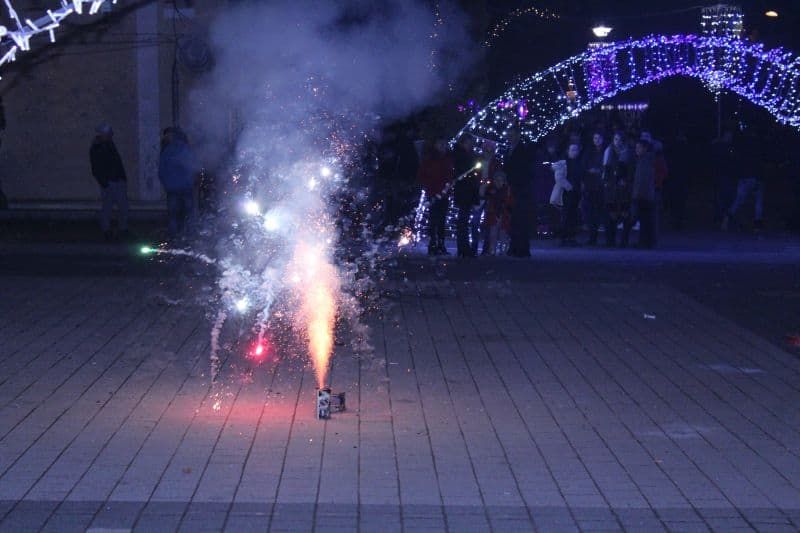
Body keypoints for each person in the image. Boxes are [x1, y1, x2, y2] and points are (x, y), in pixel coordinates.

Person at [159, 127, 201, 239]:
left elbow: (161, 170)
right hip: (186, 186)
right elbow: (195, 166)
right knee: (188, 213)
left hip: (172, 187)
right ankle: (189, 236)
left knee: (173, 214)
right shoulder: (186, 149)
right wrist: (194, 180)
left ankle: (174, 235)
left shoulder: (167, 150)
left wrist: (166, 183)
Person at [89, 123, 129, 240]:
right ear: (104, 134)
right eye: (109, 133)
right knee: (118, 206)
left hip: (113, 180)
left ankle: (110, 230)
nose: (111, 135)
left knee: (110, 206)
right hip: (112, 181)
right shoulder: (100, 147)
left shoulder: (105, 145)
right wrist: (105, 182)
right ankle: (118, 230)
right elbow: (97, 168)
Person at [721, 128, 764, 231]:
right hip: (754, 177)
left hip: (744, 178)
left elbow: (738, 163)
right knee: (758, 201)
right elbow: (759, 165)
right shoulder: (757, 150)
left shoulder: (743, 149)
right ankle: (757, 223)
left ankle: (728, 217)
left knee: (738, 200)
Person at [418, 137, 453, 255]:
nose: (443, 146)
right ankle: (433, 244)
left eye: (444, 143)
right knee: (433, 219)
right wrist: (429, 185)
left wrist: (448, 185)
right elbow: (423, 174)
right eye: (440, 143)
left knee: (441, 219)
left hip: (444, 193)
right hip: (433, 192)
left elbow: (449, 174)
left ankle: (441, 244)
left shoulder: (448, 158)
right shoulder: (430, 158)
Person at [504, 128, 536, 257]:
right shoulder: (509, 150)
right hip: (513, 188)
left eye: (512, 135)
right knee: (514, 219)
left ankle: (522, 248)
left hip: (521, 188)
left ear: (518, 136)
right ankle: (515, 246)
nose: (510, 138)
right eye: (509, 135)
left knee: (521, 218)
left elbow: (524, 170)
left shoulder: (523, 150)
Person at [602, 132, 634, 247]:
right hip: (611, 187)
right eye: (616, 139)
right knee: (612, 214)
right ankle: (610, 240)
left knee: (625, 214)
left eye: (620, 139)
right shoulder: (609, 151)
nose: (617, 141)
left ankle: (624, 240)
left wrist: (626, 180)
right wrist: (606, 182)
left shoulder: (627, 153)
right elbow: (606, 169)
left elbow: (631, 170)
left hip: (624, 188)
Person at [452, 134, 480, 257]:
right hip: (464, 191)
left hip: (468, 191)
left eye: (471, 143)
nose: (470, 145)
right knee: (463, 220)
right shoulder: (461, 155)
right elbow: (463, 173)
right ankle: (463, 248)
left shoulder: (467, 155)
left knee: (464, 219)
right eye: (468, 143)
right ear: (462, 143)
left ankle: (464, 247)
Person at [632, 139, 656, 248]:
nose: (637, 149)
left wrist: (638, 193)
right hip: (643, 194)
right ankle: (644, 241)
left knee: (646, 219)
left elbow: (644, 179)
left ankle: (646, 242)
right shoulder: (641, 160)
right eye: (636, 147)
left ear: (645, 148)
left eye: (639, 147)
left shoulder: (647, 160)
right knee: (644, 219)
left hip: (645, 195)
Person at [582, 132, 606, 245]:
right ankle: (592, 236)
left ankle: (606, 237)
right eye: (595, 138)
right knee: (591, 212)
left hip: (602, 185)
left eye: (599, 138)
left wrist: (599, 170)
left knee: (601, 210)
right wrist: (590, 170)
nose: (597, 140)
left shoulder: (606, 151)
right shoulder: (589, 152)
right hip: (591, 185)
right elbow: (584, 165)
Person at [483, 170, 512, 255]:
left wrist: (508, 211)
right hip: (493, 214)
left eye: (501, 180)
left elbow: (510, 202)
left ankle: (503, 250)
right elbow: (486, 197)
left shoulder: (507, 190)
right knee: (493, 234)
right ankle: (492, 249)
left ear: (504, 181)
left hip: (504, 214)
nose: (499, 182)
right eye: (497, 180)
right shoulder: (491, 190)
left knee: (503, 234)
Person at [561, 143, 583, 246]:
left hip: (576, 192)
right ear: (568, 151)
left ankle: (572, 236)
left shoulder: (579, 163)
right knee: (566, 214)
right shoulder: (564, 163)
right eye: (572, 150)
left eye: (576, 150)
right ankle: (564, 237)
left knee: (573, 214)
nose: (574, 152)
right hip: (566, 192)